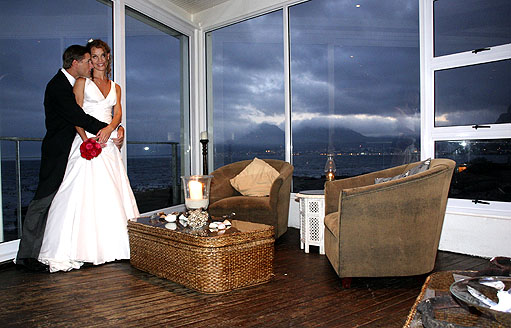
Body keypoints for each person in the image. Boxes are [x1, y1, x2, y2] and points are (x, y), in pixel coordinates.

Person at [15, 45, 125, 272]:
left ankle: (104, 246)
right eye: (89, 59)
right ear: (77, 63)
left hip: (84, 145)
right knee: (47, 199)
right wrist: (104, 132)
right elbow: (77, 116)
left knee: (63, 197)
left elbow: (112, 113)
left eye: (98, 57)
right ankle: (26, 256)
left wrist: (116, 128)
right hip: (62, 149)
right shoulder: (59, 85)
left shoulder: (68, 82)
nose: (93, 63)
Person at [38, 39, 139, 273]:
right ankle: (82, 249)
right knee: (83, 195)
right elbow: (76, 114)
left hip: (108, 143)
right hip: (88, 143)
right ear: (89, 61)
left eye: (103, 55)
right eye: (94, 56)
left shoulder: (116, 86)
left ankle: (116, 247)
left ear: (108, 58)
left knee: (112, 194)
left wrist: (113, 129)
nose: (100, 60)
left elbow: (118, 113)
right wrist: (86, 141)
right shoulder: (82, 82)